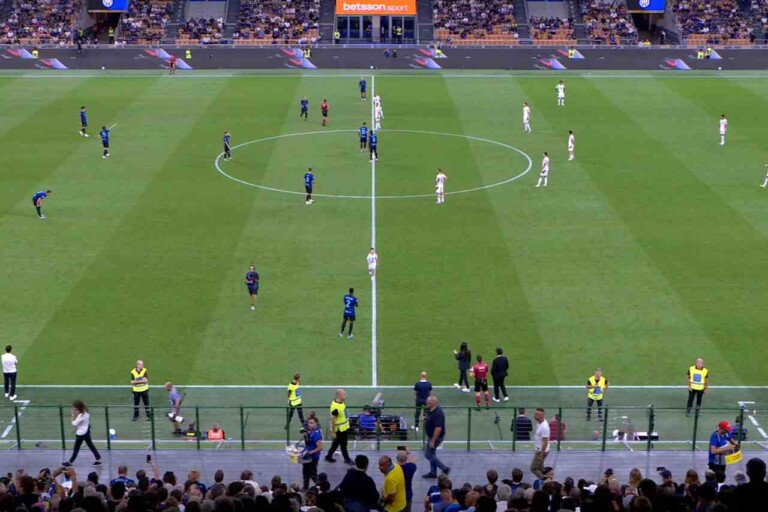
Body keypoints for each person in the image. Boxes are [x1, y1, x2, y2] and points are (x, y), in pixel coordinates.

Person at [63, 400, 102, 466]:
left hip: (81, 434)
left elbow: (73, 423)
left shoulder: (81, 415)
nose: (73, 409)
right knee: (91, 446)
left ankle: (70, 462)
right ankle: (98, 459)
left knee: (76, 448)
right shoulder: (86, 412)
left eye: (75, 408)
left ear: (78, 407)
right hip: (86, 432)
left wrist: (72, 415)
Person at [423, 395, 450, 478]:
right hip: (431, 436)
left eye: (428, 402)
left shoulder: (438, 413)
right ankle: (433, 472)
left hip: (435, 437)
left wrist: (433, 441)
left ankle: (444, 468)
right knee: (432, 453)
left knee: (428, 454)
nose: (426, 404)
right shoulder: (432, 410)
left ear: (433, 403)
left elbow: (438, 428)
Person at [325, 389, 354, 464]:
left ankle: (328, 456)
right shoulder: (336, 407)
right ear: (339, 395)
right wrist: (333, 432)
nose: (345, 396)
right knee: (343, 444)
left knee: (336, 443)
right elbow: (333, 420)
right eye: (344, 394)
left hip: (342, 428)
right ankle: (347, 459)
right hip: (340, 429)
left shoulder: (340, 402)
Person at [302, 416, 323, 489]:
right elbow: (309, 443)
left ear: (316, 424)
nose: (309, 424)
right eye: (309, 423)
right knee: (305, 473)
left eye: (312, 423)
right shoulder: (311, 432)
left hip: (312, 458)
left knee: (312, 474)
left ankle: (321, 488)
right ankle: (305, 487)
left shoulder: (316, 434)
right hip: (308, 457)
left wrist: (310, 453)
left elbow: (320, 448)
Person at [530, 408, 550, 487]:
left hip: (541, 451)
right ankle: (546, 479)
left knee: (533, 468)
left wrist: (541, 455)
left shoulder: (544, 427)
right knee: (541, 468)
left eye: (536, 414)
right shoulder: (539, 423)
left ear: (541, 416)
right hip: (539, 450)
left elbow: (545, 442)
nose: (534, 415)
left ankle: (545, 480)